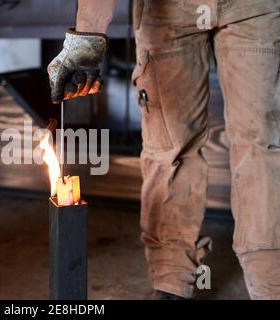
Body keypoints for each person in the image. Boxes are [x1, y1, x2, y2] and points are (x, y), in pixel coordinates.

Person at [47, 0, 280, 300]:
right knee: (169, 144)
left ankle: (270, 280)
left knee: (262, 140)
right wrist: (88, 38)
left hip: (254, 7)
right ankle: (172, 279)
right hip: (167, 9)